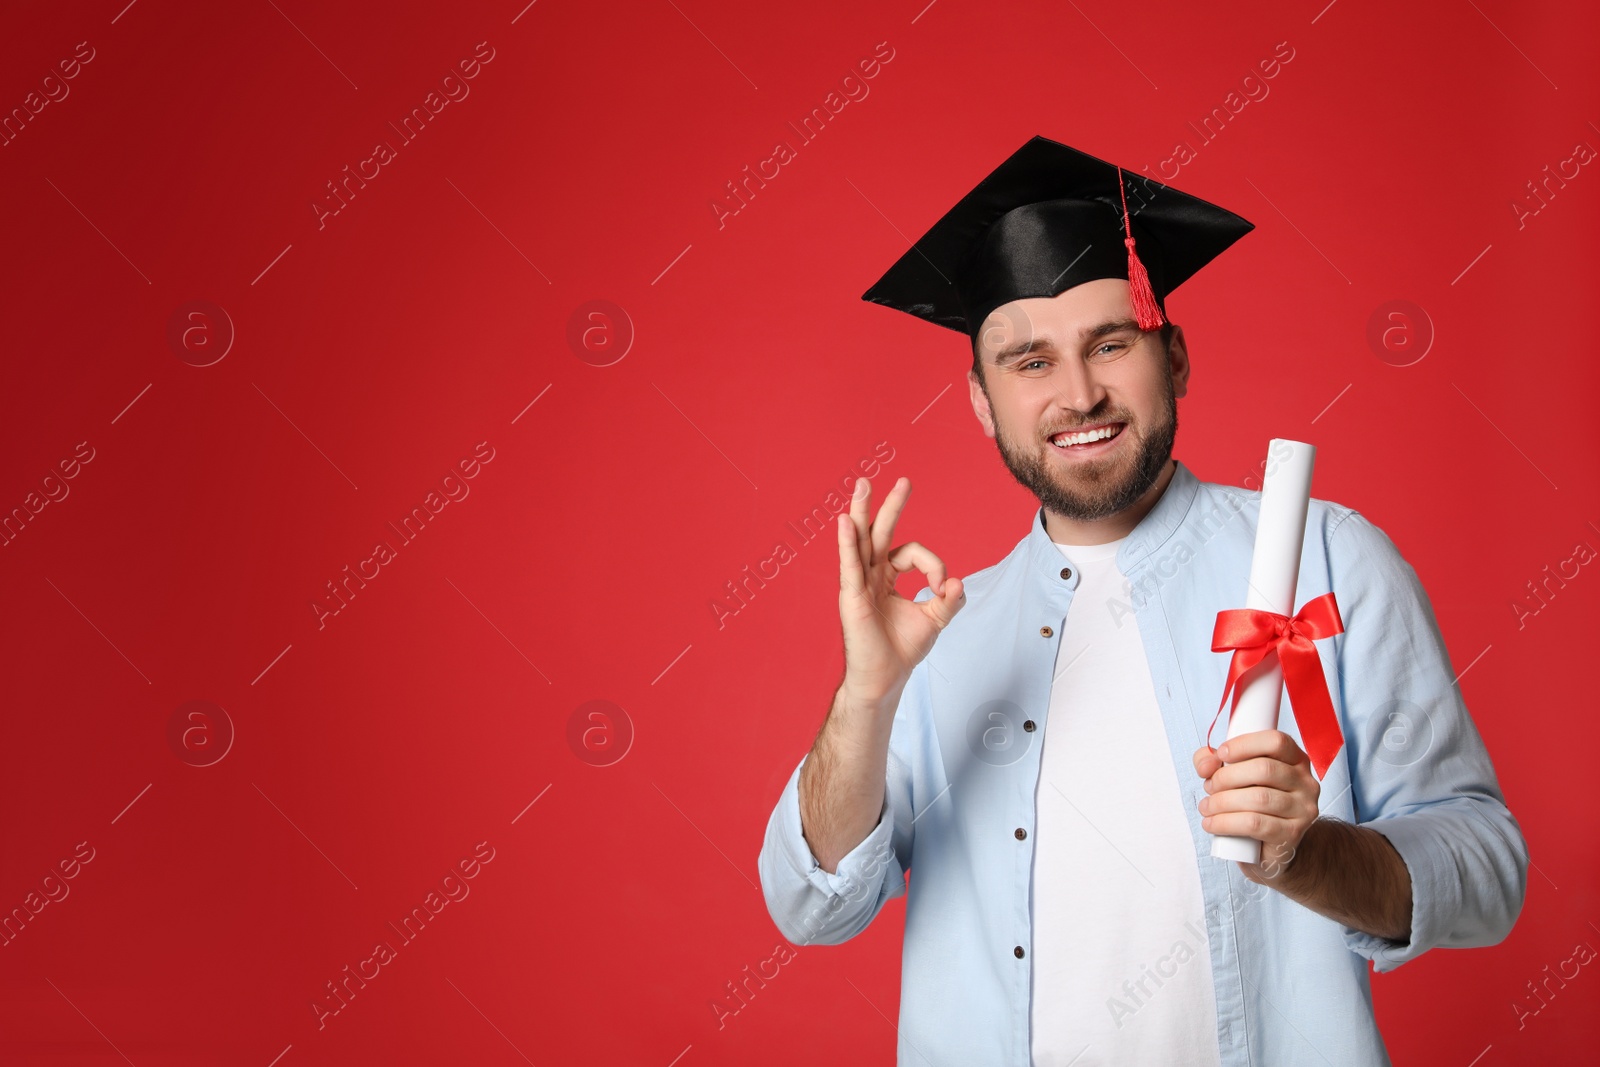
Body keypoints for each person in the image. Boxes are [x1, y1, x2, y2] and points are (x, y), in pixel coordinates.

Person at [756, 135, 1527, 1066]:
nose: (1079, 394)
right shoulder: (938, 636)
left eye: (1111, 343)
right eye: (1029, 362)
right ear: (980, 400)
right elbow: (811, 905)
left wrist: (1308, 854)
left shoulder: (1330, 560)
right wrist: (865, 695)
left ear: (1176, 358)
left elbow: (1488, 871)